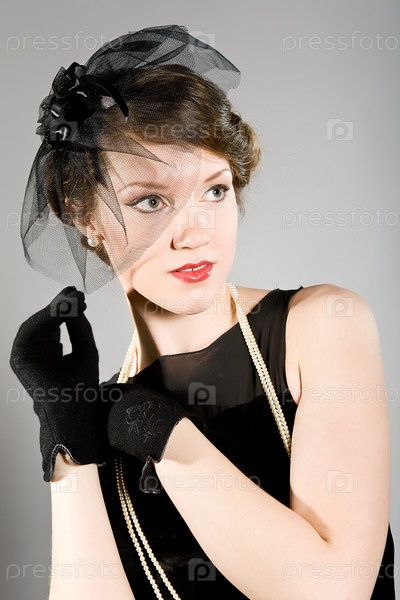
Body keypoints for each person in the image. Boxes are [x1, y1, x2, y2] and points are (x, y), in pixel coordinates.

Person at [10, 25, 395, 599]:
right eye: (150, 200)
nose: (196, 234)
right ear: (83, 214)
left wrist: (163, 435)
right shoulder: (97, 414)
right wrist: (65, 444)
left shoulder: (321, 324)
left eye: (214, 191)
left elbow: (332, 591)